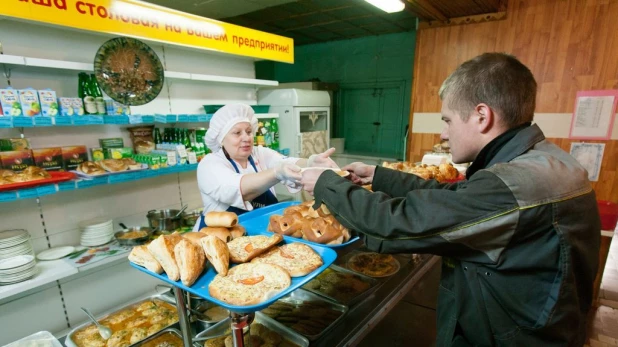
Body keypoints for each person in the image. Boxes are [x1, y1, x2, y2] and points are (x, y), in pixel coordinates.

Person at [300, 53, 601, 346]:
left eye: (448, 120)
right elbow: (454, 198)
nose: (443, 133)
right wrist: (379, 176)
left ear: (482, 116)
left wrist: (326, 184)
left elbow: (395, 224)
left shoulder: (513, 185)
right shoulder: (541, 161)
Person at [194, 104, 337, 230]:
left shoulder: (259, 153)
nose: (246, 138)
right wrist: (276, 173)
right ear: (221, 139)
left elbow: (288, 162)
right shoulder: (209, 164)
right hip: (220, 238)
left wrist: (312, 162)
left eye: (249, 132)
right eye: (237, 133)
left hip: (259, 232)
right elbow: (241, 189)